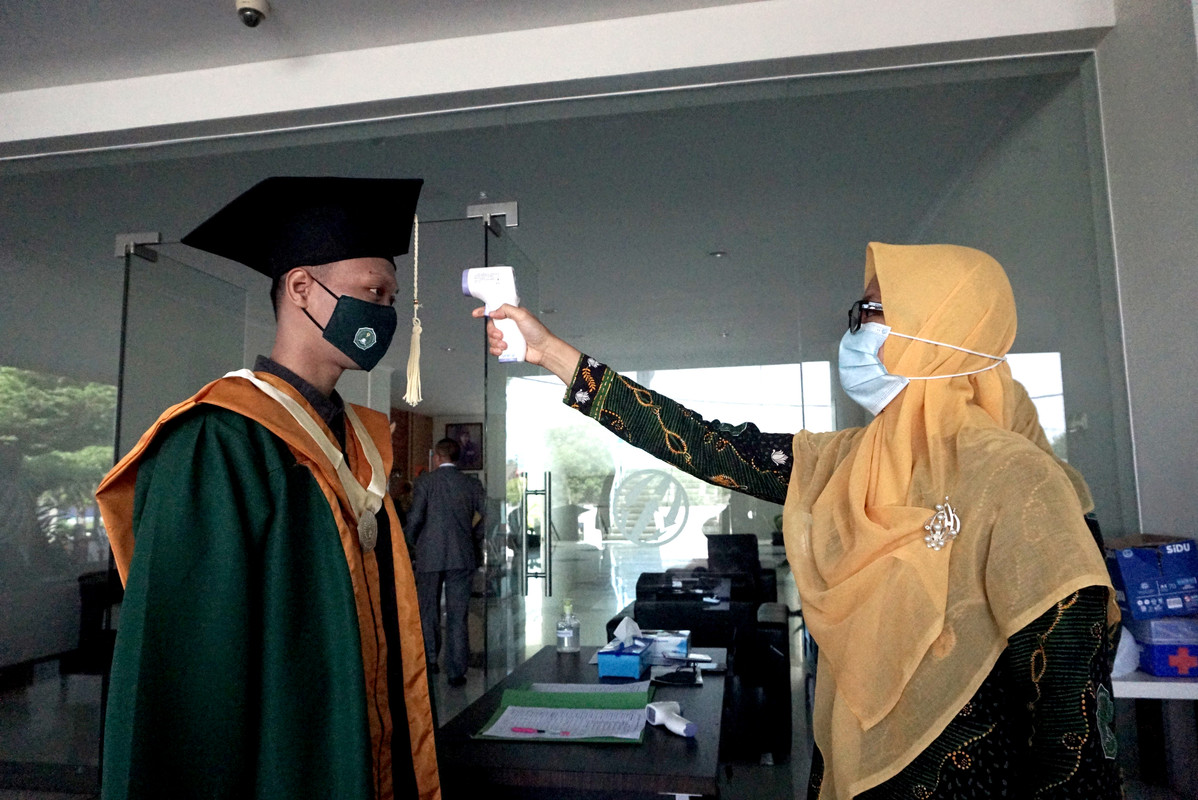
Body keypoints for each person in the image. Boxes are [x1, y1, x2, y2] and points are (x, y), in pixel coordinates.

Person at [475, 242, 1122, 798]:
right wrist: (553, 355)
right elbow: (707, 445)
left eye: (871, 312)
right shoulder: (847, 461)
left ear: (936, 329)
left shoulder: (1019, 482)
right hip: (846, 774)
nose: (855, 330)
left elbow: (1071, 716)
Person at [95, 177, 440, 800]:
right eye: (373, 292)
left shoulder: (357, 441)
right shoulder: (219, 441)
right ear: (301, 288)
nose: (384, 313)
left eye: (391, 298)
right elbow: (187, 672)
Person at [404, 438, 486, 687]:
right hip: (462, 554)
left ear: (437, 457)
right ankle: (456, 672)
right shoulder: (471, 484)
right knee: (457, 614)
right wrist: (473, 538)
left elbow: (416, 518)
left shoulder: (426, 482)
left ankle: (430, 660)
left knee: (428, 609)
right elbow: (489, 515)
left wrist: (410, 543)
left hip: (429, 555)